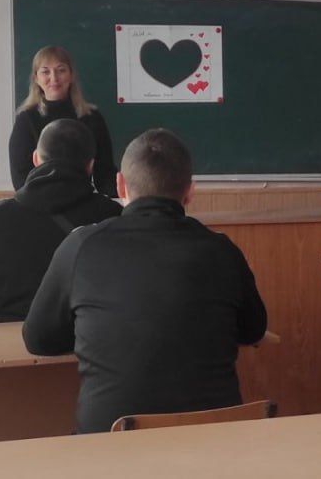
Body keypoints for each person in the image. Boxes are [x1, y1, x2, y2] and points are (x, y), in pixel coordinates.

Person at [23, 129, 268, 433]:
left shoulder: (80, 247)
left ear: (120, 185)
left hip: (112, 445)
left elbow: (38, 339)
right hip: (215, 441)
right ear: (190, 191)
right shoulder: (223, 251)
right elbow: (254, 330)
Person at [0, 120, 121, 321]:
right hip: (83, 331)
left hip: (8, 327)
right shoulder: (112, 216)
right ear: (90, 166)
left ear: (36, 158)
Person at [9, 46, 117, 196]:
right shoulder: (26, 119)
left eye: (61, 70)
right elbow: (20, 178)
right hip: (41, 202)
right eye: (45, 72)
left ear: (71, 75)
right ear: (36, 78)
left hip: (82, 200)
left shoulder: (92, 117)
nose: (54, 78)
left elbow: (105, 175)